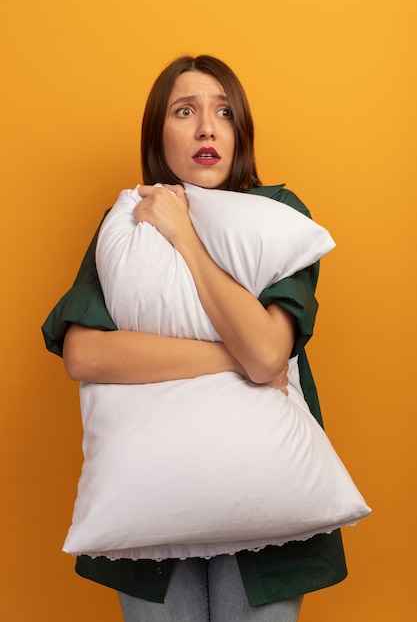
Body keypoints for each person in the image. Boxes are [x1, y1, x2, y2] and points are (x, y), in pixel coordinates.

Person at [42, 55, 347, 622]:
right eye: (186, 111)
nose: (208, 127)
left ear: (240, 132)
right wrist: (227, 359)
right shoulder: (127, 223)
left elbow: (267, 351)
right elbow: (83, 353)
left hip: (266, 499)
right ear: (160, 132)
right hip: (148, 500)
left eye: (224, 112)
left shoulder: (278, 215)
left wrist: (185, 235)